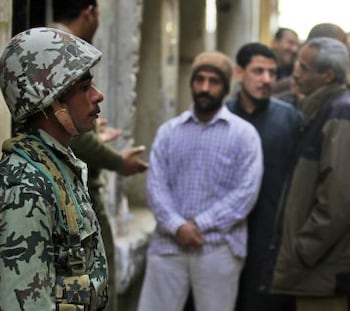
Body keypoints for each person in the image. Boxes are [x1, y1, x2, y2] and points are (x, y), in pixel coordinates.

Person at [138, 51, 263, 311]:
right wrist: (177, 226)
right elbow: (156, 185)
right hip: (168, 244)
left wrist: (199, 225)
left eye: (213, 81)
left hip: (218, 246)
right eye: (200, 80)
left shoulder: (244, 135)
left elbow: (246, 192)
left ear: (226, 87)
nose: (205, 88)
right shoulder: (169, 132)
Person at [0, 27, 108, 310]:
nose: (98, 96)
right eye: (84, 88)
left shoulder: (57, 165)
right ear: (51, 102)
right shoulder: (27, 185)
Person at [51, 2, 149, 310]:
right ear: (90, 11)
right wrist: (120, 162)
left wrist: (92, 131)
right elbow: (76, 139)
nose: (97, 96)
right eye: (85, 87)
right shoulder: (60, 48)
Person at [268, 37, 350, 311]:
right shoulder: (323, 110)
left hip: (325, 269)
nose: (295, 72)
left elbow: (343, 195)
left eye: (304, 68)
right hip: (318, 267)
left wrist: (305, 247)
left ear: (327, 75)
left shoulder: (341, 113)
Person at [226, 42, 302, 311]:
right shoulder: (222, 117)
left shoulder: (290, 118)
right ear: (239, 73)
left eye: (272, 72)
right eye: (258, 71)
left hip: (271, 237)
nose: (267, 79)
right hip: (223, 235)